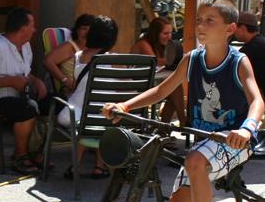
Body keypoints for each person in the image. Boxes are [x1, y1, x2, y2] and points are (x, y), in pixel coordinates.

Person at [105, 0, 264, 202]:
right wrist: (125, 105)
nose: (201, 26)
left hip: (232, 142)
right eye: (199, 20)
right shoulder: (192, 59)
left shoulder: (237, 61)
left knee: (194, 160)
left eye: (210, 21)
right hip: (203, 141)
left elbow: (257, 99)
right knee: (177, 201)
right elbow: (163, 89)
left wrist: (247, 129)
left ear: (231, 28)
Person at [0, 7, 49, 174]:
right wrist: (10, 81)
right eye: (32, 26)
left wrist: (37, 82)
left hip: (16, 97)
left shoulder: (25, 46)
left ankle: (34, 151)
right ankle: (20, 156)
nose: (35, 30)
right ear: (22, 29)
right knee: (27, 107)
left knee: (51, 103)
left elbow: (25, 74)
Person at [56, 15, 119, 179]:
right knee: (98, 116)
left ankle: (75, 166)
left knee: (86, 120)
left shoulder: (79, 56)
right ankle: (99, 166)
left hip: (73, 114)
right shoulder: (115, 61)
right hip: (106, 118)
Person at [131, 17, 185, 122]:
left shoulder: (162, 45)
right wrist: (182, 58)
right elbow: (155, 61)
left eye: (170, 33)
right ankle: (182, 120)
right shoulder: (143, 43)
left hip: (150, 81)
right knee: (174, 87)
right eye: (165, 33)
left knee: (174, 88)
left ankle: (165, 127)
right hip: (136, 83)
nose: (169, 37)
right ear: (155, 34)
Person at [43, 13, 93, 95]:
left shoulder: (92, 49)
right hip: (73, 94)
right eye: (84, 28)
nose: (87, 33)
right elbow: (47, 61)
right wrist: (66, 82)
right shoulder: (70, 47)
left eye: (91, 30)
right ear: (77, 31)